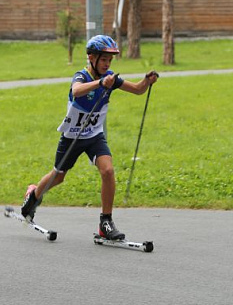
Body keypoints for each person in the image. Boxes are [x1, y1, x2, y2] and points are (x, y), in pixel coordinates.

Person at [21, 34, 159, 240]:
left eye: (110, 61)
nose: (107, 64)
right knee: (58, 176)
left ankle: (106, 222)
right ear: (91, 58)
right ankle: (33, 196)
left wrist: (147, 81)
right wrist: (101, 84)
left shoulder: (111, 78)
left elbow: (138, 90)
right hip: (72, 137)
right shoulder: (81, 76)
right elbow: (76, 91)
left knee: (108, 170)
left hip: (94, 135)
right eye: (103, 60)